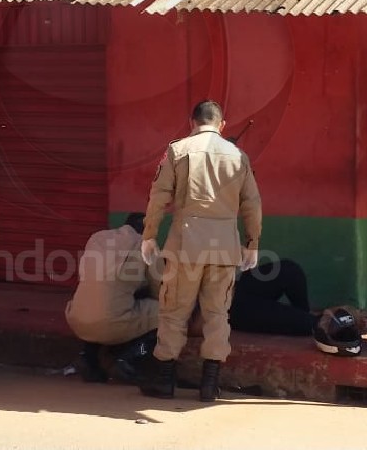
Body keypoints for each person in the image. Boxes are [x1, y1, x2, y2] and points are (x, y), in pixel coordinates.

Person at [138, 100, 263, 402]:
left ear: (191, 121)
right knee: (217, 313)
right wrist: (253, 243)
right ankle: (210, 384)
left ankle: (165, 381)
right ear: (222, 124)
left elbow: (159, 196)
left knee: (173, 313)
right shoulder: (238, 156)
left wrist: (149, 235)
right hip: (225, 248)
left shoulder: (177, 150)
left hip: (185, 245)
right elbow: (252, 204)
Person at [65, 213, 162, 382]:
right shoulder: (144, 244)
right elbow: (159, 292)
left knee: (101, 303)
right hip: (111, 323)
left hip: (76, 318)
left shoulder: (97, 238)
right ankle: (128, 359)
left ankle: (87, 357)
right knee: (169, 314)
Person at [229, 258, 316, 337]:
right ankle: (309, 323)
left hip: (233, 285)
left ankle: (304, 318)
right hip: (226, 308)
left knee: (290, 270)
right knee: (309, 323)